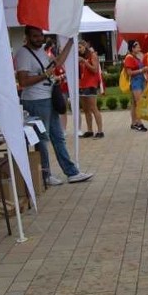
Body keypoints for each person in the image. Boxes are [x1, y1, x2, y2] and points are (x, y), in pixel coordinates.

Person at [15, 26, 93, 186]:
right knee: (42, 139)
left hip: (47, 98)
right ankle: (45, 174)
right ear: (27, 37)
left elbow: (56, 63)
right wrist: (44, 76)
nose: (39, 39)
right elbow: (22, 81)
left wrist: (71, 42)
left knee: (58, 136)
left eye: (40, 36)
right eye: (35, 36)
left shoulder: (41, 51)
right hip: (35, 100)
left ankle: (71, 172)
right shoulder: (23, 54)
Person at [77, 40, 103, 138]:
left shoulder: (92, 55)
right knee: (86, 109)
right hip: (82, 84)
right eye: (78, 48)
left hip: (91, 84)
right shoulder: (79, 57)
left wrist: (84, 62)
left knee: (93, 108)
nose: (79, 50)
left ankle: (100, 131)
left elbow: (95, 69)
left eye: (80, 47)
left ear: (85, 46)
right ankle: (89, 130)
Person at [124, 40, 148, 131]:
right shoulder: (129, 57)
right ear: (132, 48)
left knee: (135, 103)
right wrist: (142, 70)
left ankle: (134, 123)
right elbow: (129, 72)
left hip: (139, 81)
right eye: (137, 46)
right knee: (138, 103)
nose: (139, 47)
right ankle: (139, 123)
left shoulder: (135, 57)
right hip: (135, 82)